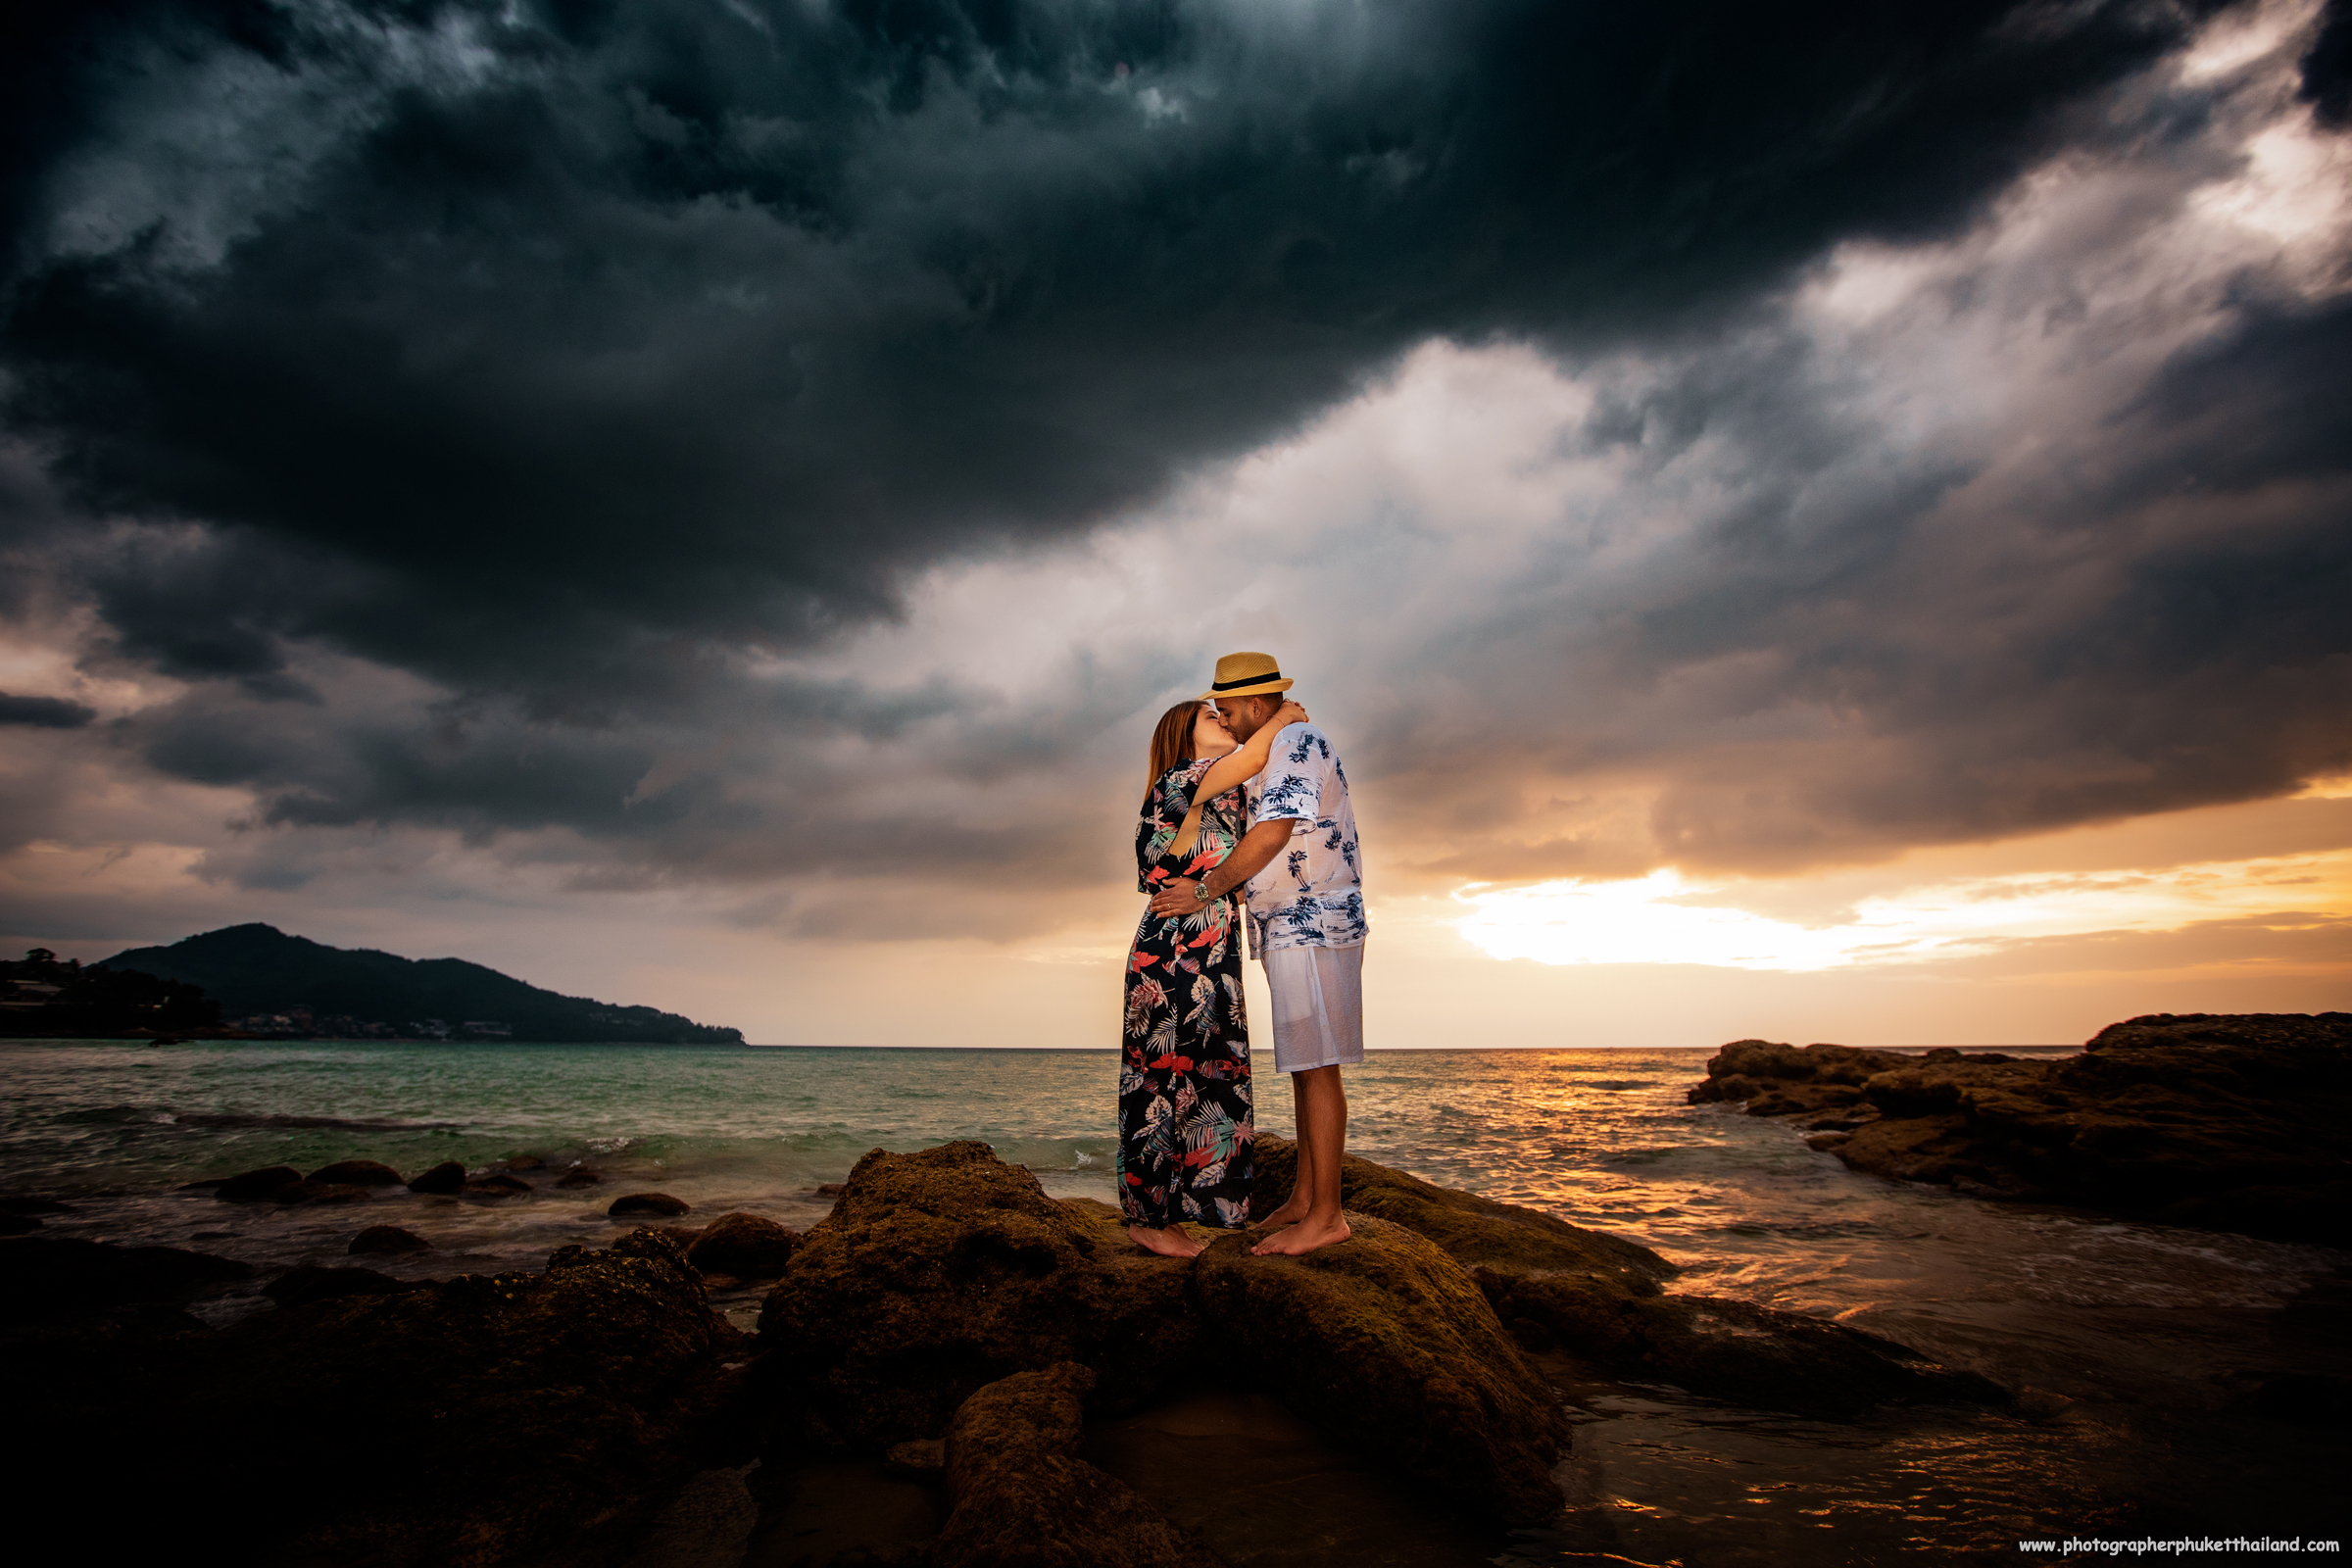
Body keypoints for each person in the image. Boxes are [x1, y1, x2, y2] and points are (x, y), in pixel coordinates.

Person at [1149, 652, 1363, 1255]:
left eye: (1226, 706)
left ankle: (1326, 1215)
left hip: (1314, 920)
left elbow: (1274, 831)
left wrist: (1207, 888)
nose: (1220, 712)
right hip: (1287, 925)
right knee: (1305, 1063)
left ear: (1254, 705)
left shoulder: (1296, 741)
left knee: (1318, 1064)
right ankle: (1304, 1198)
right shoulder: (1268, 750)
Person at [1121, 691, 1311, 1257]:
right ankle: (1149, 1219)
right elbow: (1255, 756)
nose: (1223, 719)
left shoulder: (1223, 792)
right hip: (1173, 954)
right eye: (1212, 716)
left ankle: (1184, 1214)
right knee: (1160, 1083)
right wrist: (1284, 717)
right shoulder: (1179, 781)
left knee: (1209, 1079)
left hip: (1209, 952)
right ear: (1184, 738)